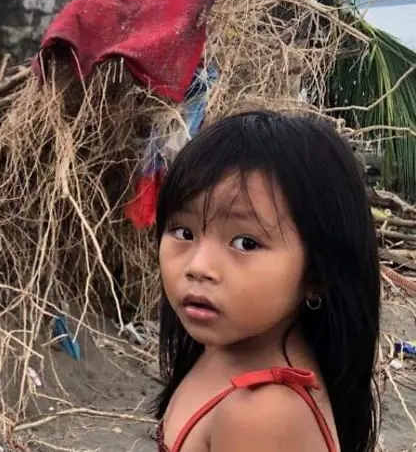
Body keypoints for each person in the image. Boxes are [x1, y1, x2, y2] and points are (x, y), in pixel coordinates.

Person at [152, 111, 380, 452]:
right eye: (184, 232)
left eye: (245, 243)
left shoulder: (263, 413)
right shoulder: (225, 349)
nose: (199, 266)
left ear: (316, 274)